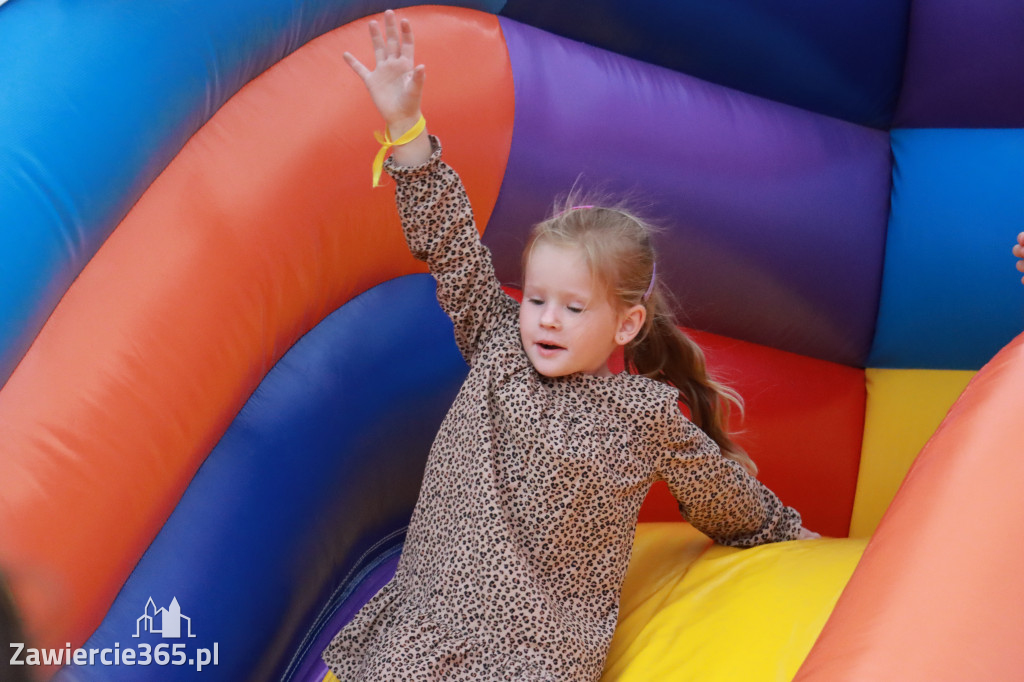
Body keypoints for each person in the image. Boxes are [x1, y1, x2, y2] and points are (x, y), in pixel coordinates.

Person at [323, 10, 817, 681]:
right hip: (421, 634)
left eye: (573, 307)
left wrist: (795, 542)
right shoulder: (498, 343)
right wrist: (408, 131)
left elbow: (724, 496)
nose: (545, 320)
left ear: (626, 325)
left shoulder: (640, 418)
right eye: (535, 299)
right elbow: (451, 245)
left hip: (526, 660)